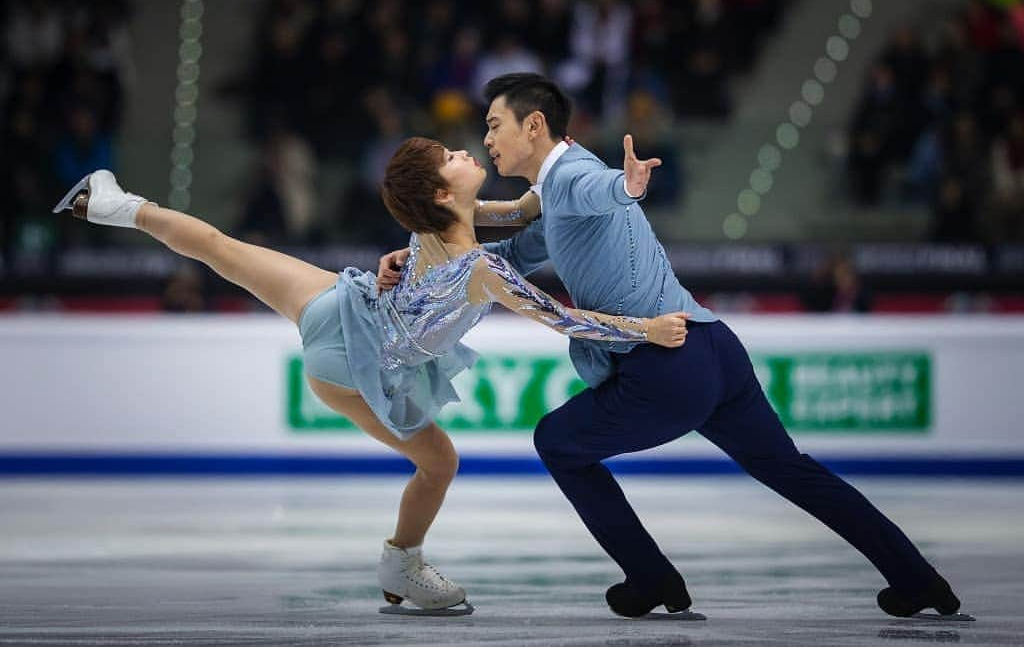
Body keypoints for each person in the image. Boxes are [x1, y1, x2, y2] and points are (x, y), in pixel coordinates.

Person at [377, 73, 964, 620]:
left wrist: (627, 184)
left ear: (533, 126)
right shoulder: (552, 194)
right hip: (714, 347)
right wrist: (419, 261)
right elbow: (501, 259)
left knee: (556, 442)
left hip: (667, 365)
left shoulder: (573, 178)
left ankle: (652, 577)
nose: (486, 139)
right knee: (793, 471)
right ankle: (917, 579)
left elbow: (605, 192)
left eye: (493, 125)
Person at [51, 142, 690, 616]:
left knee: (223, 249)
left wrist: (600, 181)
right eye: (452, 156)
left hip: (342, 308)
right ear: (443, 194)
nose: (466, 150)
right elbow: (560, 316)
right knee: (438, 463)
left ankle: (115, 206)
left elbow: (523, 209)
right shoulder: (478, 265)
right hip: (356, 366)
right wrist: (646, 330)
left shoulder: (436, 227)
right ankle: (402, 566)